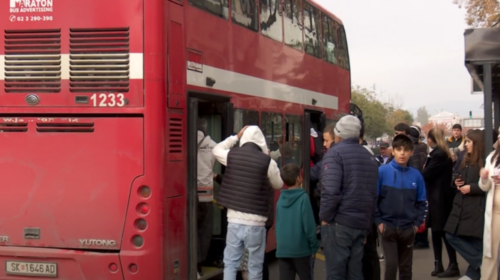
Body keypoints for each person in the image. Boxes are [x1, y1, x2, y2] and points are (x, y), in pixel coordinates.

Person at [212, 125, 283, 280]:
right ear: (261, 141)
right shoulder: (267, 162)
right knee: (255, 268)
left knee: (231, 264)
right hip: (257, 225)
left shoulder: (232, 155)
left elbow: (216, 150)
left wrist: (235, 137)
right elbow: (278, 184)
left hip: (234, 221)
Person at [319, 115, 379, 280]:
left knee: (336, 273)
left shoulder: (334, 154)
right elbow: (373, 195)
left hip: (339, 222)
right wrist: (367, 226)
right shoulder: (369, 157)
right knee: (355, 273)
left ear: (338, 134)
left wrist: (324, 218)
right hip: (361, 224)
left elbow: (330, 191)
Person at [376, 134, 428, 280]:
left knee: (406, 269)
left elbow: (422, 202)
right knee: (391, 266)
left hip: (408, 228)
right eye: (399, 149)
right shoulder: (382, 172)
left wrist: (416, 225)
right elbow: (374, 199)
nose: (402, 153)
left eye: (406, 150)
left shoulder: (416, 176)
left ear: (411, 152)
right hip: (388, 227)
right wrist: (379, 222)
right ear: (393, 151)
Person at [445, 129, 486, 280]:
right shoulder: (465, 159)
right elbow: (455, 175)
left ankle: (476, 271)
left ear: (476, 142)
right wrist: (456, 182)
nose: (465, 144)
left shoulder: (483, 160)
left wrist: (472, 188)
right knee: (451, 235)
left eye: (468, 141)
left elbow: (487, 185)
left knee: (474, 241)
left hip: (475, 207)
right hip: (461, 205)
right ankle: (480, 265)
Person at [422, 128, 460, 277]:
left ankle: (452, 264)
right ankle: (439, 263)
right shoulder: (441, 153)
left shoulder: (438, 154)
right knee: (437, 232)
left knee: (442, 231)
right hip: (438, 197)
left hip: (440, 199)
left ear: (431, 139)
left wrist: (425, 168)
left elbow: (427, 174)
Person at [275, 163, 319, 280]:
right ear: (298, 178)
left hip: (283, 250)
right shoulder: (303, 198)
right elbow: (309, 226)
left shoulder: (280, 199)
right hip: (301, 250)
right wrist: (314, 247)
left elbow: (278, 224)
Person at [196, 118, 218, 278]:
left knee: (193, 231)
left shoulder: (186, 142)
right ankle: (200, 263)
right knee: (205, 231)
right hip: (207, 194)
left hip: (191, 195)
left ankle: (192, 261)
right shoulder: (214, 146)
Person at [478, 126, 500, 280]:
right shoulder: (492, 157)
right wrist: (484, 177)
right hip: (495, 214)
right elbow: (484, 187)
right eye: (499, 133)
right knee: (491, 253)